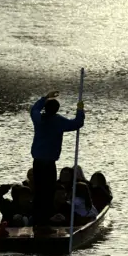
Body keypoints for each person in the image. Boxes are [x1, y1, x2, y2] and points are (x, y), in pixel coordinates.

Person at [30, 90, 85, 235]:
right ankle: (43, 223)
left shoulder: (38, 119)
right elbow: (77, 123)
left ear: (45, 109)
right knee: (47, 193)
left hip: (37, 162)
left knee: (39, 192)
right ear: (56, 110)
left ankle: (37, 222)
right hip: (48, 163)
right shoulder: (58, 121)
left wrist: (45, 97)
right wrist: (80, 110)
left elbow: (34, 109)